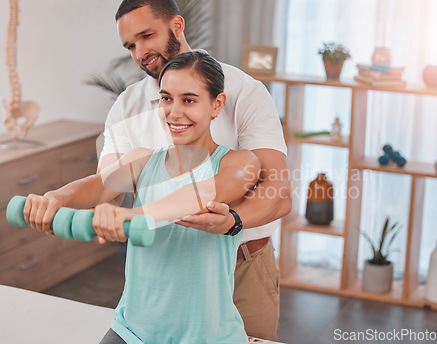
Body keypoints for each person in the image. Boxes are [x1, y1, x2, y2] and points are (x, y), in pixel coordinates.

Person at [25, 51, 260, 343]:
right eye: (166, 98)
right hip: (132, 330)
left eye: (189, 100)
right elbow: (98, 185)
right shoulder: (142, 160)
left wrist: (132, 216)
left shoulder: (239, 162)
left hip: (207, 335)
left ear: (217, 104)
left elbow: (200, 194)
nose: (174, 112)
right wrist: (54, 198)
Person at [99, 0, 292, 340]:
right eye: (130, 45)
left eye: (147, 35)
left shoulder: (243, 90)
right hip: (161, 272)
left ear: (177, 25)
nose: (140, 52)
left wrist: (233, 221)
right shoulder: (126, 107)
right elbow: (104, 186)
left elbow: (278, 191)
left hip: (243, 262)